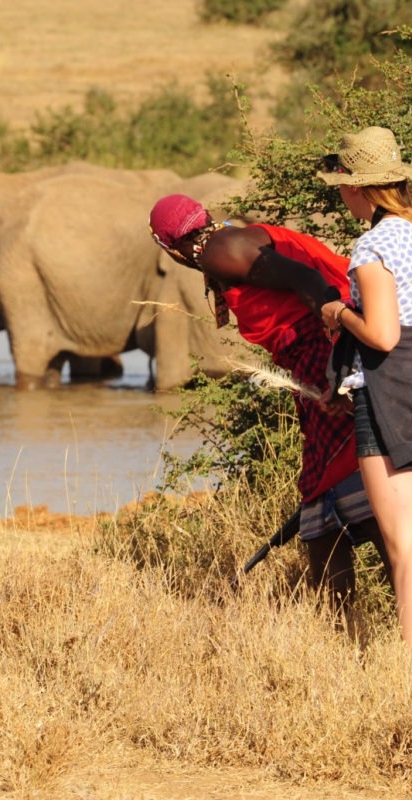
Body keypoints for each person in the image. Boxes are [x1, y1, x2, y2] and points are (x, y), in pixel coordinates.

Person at [148, 193, 392, 628]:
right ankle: (340, 628)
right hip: (319, 357)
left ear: (169, 248)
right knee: (321, 494)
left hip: (324, 354)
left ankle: (405, 614)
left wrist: (335, 368)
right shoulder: (224, 246)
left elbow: (309, 282)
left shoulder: (221, 251)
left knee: (341, 482)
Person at [315, 126, 412, 663]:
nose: (342, 196)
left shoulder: (374, 245)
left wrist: (338, 313)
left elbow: (383, 335)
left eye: (343, 187)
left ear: (361, 189)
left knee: (405, 551)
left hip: (393, 391)